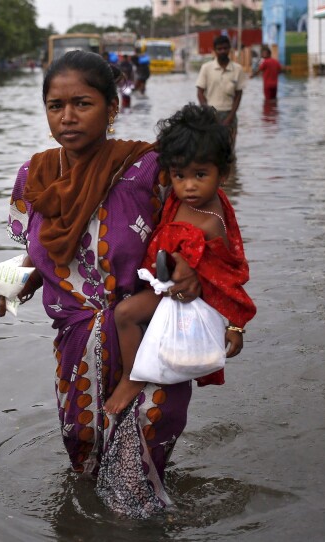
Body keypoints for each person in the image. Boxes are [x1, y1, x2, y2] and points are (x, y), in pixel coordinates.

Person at [0, 50, 202, 518]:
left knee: (133, 492)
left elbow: (204, 234)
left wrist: (193, 275)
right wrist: (7, 284)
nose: (67, 117)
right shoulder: (34, 178)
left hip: (145, 346)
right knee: (86, 469)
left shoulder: (150, 171)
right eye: (55, 106)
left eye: (82, 103)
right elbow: (44, 260)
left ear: (112, 107)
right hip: (75, 354)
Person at [104, 103, 256, 415]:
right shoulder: (175, 197)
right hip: (162, 285)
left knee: (125, 314)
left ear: (223, 174)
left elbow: (227, 277)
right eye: (179, 175)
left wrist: (236, 326)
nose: (189, 186)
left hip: (183, 298)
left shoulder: (211, 222)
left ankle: (132, 377)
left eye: (200, 175)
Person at [196, 35, 247, 146]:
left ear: (230, 49)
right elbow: (200, 92)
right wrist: (208, 112)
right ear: (214, 51)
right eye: (219, 49)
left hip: (230, 113)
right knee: (210, 149)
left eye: (225, 48)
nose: (222, 51)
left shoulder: (237, 69)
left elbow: (239, 95)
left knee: (229, 150)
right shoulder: (206, 68)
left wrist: (230, 117)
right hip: (210, 115)